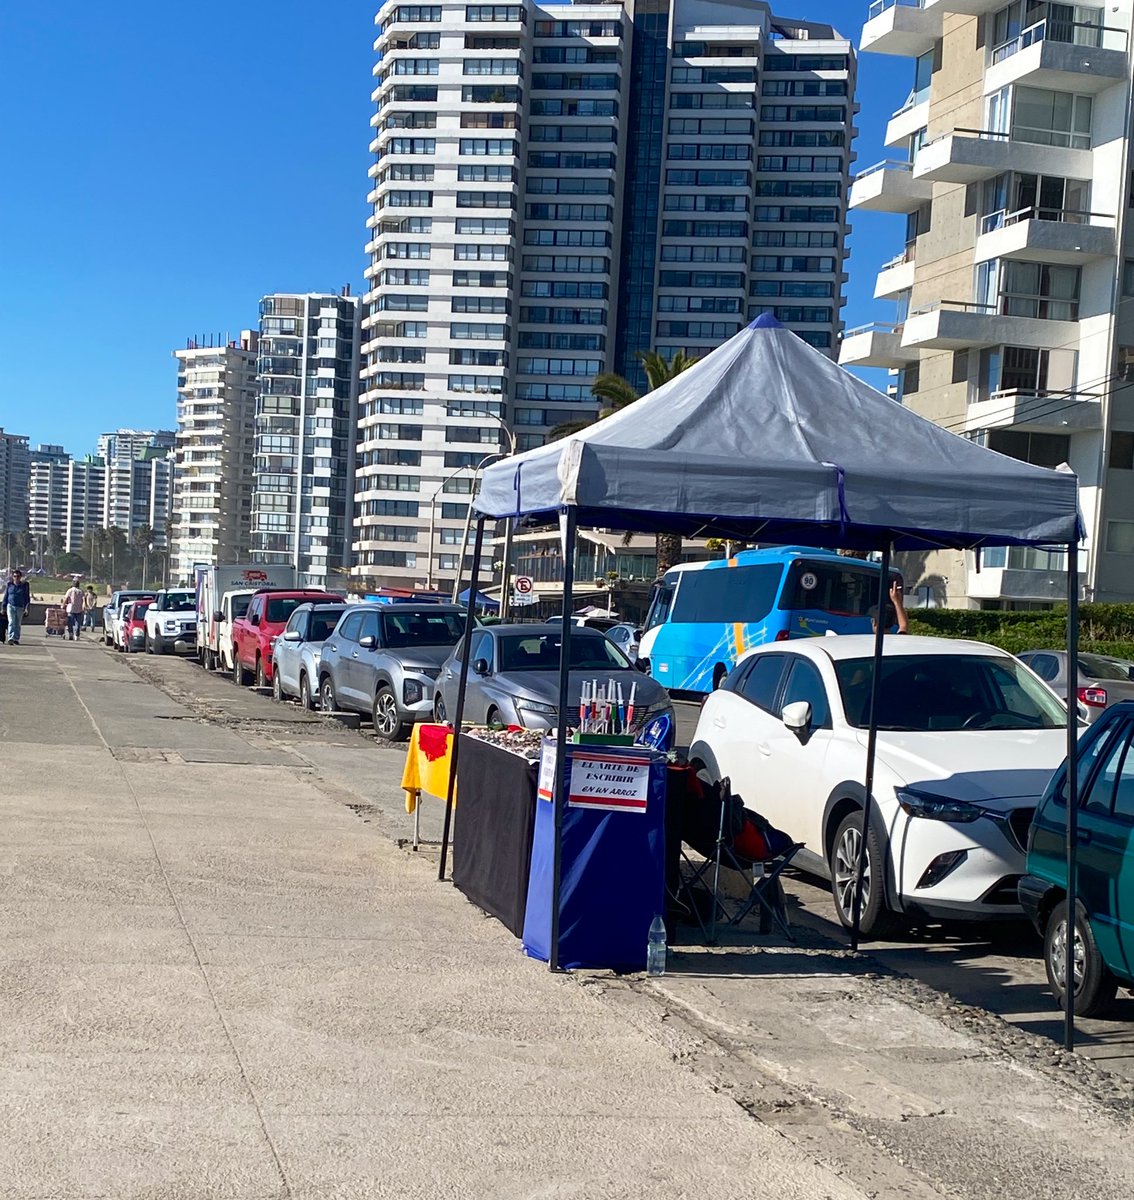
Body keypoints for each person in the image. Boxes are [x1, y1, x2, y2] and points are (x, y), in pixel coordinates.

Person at [4, 570, 31, 646]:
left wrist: (27, 608)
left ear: (20, 577)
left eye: (18, 576)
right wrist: (3, 606)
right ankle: (11, 638)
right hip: (10, 605)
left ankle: (16, 638)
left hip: (20, 606)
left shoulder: (24, 586)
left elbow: (27, 597)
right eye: (15, 576)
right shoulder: (9, 585)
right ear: (12, 577)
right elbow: (6, 596)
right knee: (11, 622)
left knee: (18, 623)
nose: (16, 578)